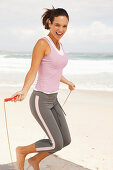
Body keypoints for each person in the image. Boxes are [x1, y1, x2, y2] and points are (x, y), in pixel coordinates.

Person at [11, 6, 75, 170]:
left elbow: (54, 72)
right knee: (56, 142)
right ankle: (22, 151)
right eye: (57, 25)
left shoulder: (59, 45)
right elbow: (33, 70)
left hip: (54, 100)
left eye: (64, 26)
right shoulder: (42, 43)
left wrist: (67, 82)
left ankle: (34, 161)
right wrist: (24, 90)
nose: (61, 29)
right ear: (50, 23)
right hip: (41, 100)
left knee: (65, 141)